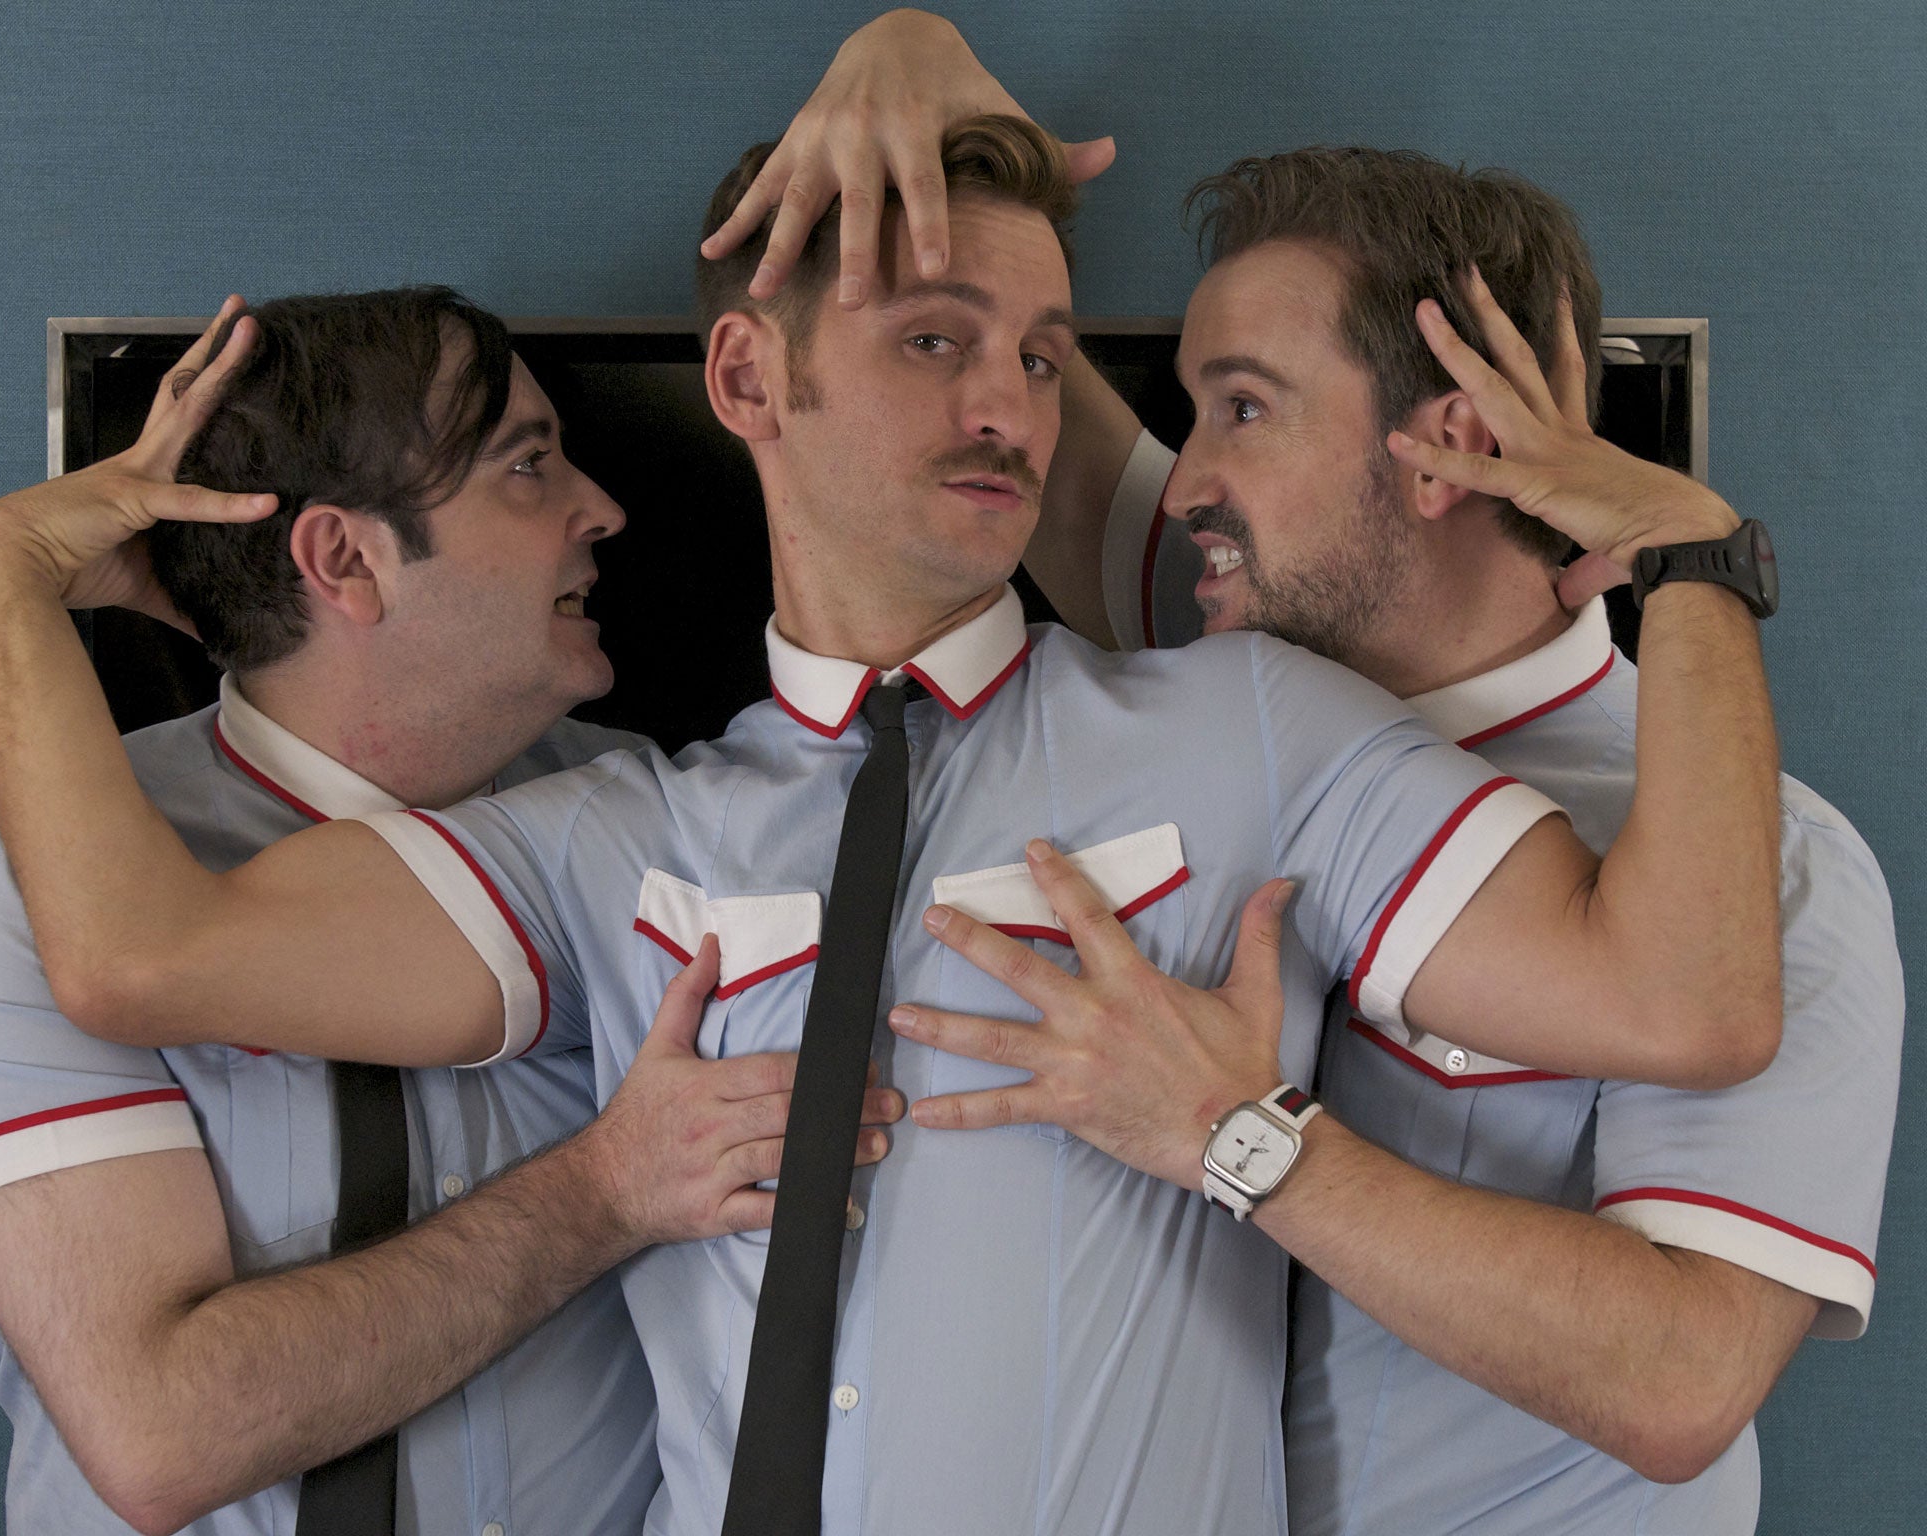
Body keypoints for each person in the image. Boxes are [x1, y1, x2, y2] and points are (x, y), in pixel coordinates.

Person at [0, 114, 1784, 1536]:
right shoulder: (606, 837)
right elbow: (137, 953)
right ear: (746, 382)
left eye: (1045, 354)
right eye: (931, 341)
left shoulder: (1257, 727)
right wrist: (2, 584)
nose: (1008, 406)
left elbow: (1688, 1000)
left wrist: (1690, 559)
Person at [747, 18, 1900, 1531]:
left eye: (1241, 408)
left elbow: (1679, 1382)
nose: (1193, 477)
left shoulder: (1758, 863)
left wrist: (1237, 1135)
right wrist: (906, 45)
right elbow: (996, 409)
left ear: (1452, 451)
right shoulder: (1221, 656)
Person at [0, 286, 900, 1534]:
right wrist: (605, 1191)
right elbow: (159, 1432)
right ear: (345, 558)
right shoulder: (49, 874)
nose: (602, 509)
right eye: (528, 467)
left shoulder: (650, 829)